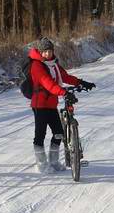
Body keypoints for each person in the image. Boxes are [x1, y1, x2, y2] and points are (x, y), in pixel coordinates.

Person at [27, 37, 95, 173]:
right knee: (40, 135)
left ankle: (54, 162)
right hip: (39, 105)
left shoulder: (54, 65)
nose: (47, 54)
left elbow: (65, 77)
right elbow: (48, 83)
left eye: (50, 51)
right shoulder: (37, 66)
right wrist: (63, 92)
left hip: (51, 104)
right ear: (40, 52)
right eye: (45, 52)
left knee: (58, 133)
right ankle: (41, 164)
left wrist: (81, 82)